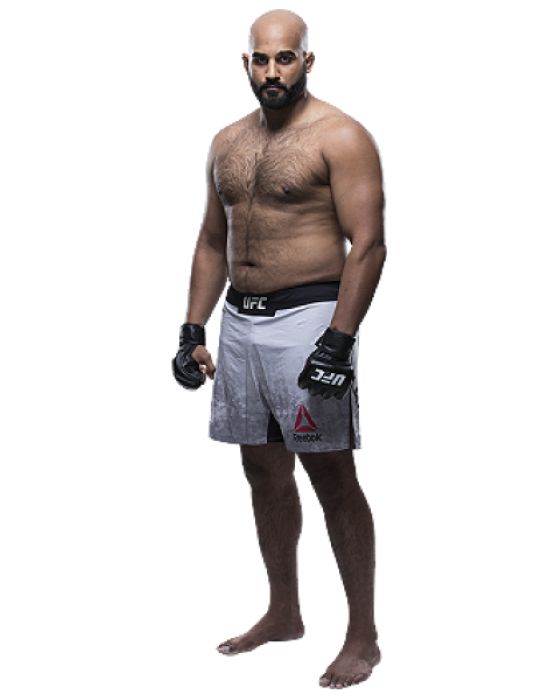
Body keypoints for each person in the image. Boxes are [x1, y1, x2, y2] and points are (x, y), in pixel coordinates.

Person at [171, 9, 387, 691]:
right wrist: (194, 330)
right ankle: (286, 612)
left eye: (285, 58)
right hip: (240, 321)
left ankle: (363, 636)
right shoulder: (226, 142)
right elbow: (212, 241)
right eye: (261, 59)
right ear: (245, 64)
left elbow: (369, 245)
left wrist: (339, 340)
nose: (273, 71)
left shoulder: (342, 135)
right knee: (261, 470)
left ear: (307, 62)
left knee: (331, 473)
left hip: (309, 318)